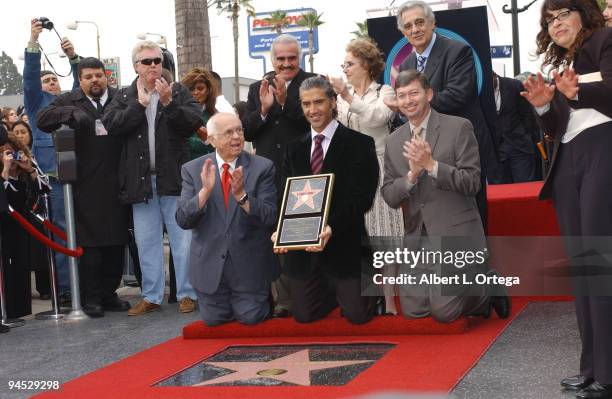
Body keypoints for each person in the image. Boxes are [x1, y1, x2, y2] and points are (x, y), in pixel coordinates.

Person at [521, 1, 612, 397]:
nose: (555, 23)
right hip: (568, 161)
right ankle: (591, 367)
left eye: (562, 14)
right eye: (549, 19)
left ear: (583, 14)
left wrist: (577, 91)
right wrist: (544, 104)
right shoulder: (561, 62)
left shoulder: (607, 39)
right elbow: (557, 125)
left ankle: (608, 374)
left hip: (602, 151)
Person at [381, 70, 510, 323]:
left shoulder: (458, 127)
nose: (408, 100)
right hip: (418, 238)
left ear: (429, 94)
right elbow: (389, 195)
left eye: (414, 93)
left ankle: (487, 288)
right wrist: (411, 177)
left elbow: (472, 183)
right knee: (414, 312)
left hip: (454, 235)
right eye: (402, 95)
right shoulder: (394, 141)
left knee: (444, 312)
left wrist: (432, 165)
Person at [102, 41, 202, 316]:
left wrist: (168, 103)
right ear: (136, 66)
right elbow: (111, 125)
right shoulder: (123, 96)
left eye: (157, 60)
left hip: (175, 180)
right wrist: (139, 106)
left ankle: (187, 294)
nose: (153, 66)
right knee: (147, 243)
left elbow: (193, 121)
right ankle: (151, 296)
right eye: (147, 61)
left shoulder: (178, 91)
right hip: (140, 182)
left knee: (183, 240)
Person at [273, 76, 379, 324]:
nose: (312, 110)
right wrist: (283, 230)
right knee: (304, 316)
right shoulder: (293, 149)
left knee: (357, 316)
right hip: (305, 248)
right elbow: (285, 196)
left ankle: (360, 288)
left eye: (319, 102)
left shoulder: (360, 144)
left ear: (332, 101)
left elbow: (362, 199)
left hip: (345, 242)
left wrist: (329, 228)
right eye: (306, 104)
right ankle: (331, 292)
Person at [38, 57, 131, 318]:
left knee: (116, 243)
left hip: (119, 183)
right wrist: (70, 113)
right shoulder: (70, 99)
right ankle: (92, 298)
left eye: (98, 75)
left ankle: (109, 294)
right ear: (80, 80)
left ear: (107, 76)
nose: (94, 80)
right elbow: (42, 119)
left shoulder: (120, 97)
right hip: (86, 186)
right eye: (88, 77)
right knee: (91, 247)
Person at [392, 0, 498, 230]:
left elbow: (459, 95)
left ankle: (476, 262)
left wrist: (413, 103)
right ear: (403, 32)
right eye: (408, 26)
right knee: (435, 213)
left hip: (459, 145)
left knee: (469, 211)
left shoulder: (458, 51)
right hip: (426, 149)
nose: (414, 29)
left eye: (419, 22)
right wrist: (403, 109)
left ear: (432, 23)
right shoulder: (407, 64)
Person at [176, 112, 279, 326]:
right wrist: (204, 192)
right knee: (214, 321)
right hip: (209, 267)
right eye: (228, 132)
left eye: (239, 130)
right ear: (211, 139)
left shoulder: (263, 167)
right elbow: (183, 220)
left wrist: (242, 197)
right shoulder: (193, 170)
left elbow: (271, 215)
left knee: (250, 318)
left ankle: (258, 298)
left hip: (249, 265)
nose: (236, 137)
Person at [329, 37, 404, 315]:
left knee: (386, 234)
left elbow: (377, 119)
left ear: (366, 65)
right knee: (361, 234)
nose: (345, 69)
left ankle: (390, 298)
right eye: (344, 64)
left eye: (349, 64)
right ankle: (368, 298)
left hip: (381, 167)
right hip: (350, 171)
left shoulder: (384, 91)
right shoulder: (340, 97)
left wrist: (348, 98)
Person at [244, 34, 318, 318]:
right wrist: (263, 109)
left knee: (304, 235)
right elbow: (248, 131)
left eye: (291, 58)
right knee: (273, 237)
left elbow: (317, 121)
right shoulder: (256, 88)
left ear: (298, 58)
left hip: (304, 172)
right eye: (280, 59)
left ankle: (312, 296)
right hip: (267, 175)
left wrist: (287, 102)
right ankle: (283, 301)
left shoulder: (314, 82)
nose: (286, 64)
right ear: (272, 59)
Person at [24, 18, 80, 303]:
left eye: (54, 79)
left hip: (83, 175)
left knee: (85, 232)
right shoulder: (36, 104)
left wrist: (72, 57)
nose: (51, 83)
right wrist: (33, 41)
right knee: (61, 234)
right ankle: (68, 290)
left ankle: (91, 286)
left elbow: (86, 78)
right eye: (46, 80)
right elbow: (30, 76)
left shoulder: (72, 99)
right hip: (55, 179)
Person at [0, 133, 47, 318]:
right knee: (8, 271)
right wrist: (5, 170)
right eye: (4, 152)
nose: (9, 155)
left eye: (12, 151)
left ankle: (21, 311)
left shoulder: (25, 170)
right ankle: (7, 312)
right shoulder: (4, 173)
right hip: (5, 229)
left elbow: (45, 190)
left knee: (22, 269)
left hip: (24, 228)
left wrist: (30, 170)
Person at [10, 121, 51, 299]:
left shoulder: (29, 159)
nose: (20, 135)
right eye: (16, 132)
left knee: (39, 249)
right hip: (10, 217)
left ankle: (45, 288)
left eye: (23, 132)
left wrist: (29, 169)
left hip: (31, 213)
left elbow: (45, 188)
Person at [492, 72, 540, 183]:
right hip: (497, 151)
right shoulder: (480, 91)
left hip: (520, 146)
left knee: (525, 188)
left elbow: (528, 114)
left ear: (494, 74)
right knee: (501, 193)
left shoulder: (514, 85)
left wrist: (527, 135)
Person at [181, 68, 218, 160]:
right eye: (191, 89)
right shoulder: (178, 113)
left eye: (200, 88)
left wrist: (207, 140)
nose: (195, 92)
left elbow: (222, 146)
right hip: (182, 167)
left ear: (208, 90)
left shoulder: (216, 116)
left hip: (209, 165)